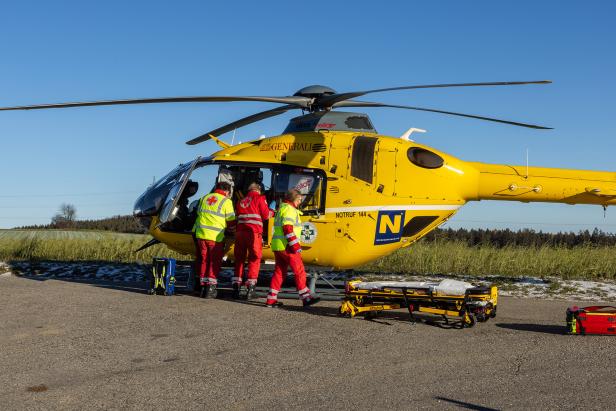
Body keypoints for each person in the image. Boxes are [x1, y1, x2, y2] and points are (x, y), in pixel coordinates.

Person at [266, 189, 320, 308]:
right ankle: (305, 297)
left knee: (279, 272)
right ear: (295, 199)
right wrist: (295, 245)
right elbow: (288, 229)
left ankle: (271, 299)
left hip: (278, 246)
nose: (300, 202)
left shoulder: (282, 208)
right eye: (300, 199)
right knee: (299, 271)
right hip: (288, 246)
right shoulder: (290, 210)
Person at [192, 181, 236, 298]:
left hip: (201, 235)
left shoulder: (204, 198)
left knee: (204, 260)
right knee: (214, 262)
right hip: (215, 237)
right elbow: (231, 221)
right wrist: (232, 231)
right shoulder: (226, 201)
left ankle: (202, 287)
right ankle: (211, 289)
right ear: (226, 191)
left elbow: (198, 214)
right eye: (229, 193)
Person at [233, 182, 274, 299]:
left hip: (240, 233)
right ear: (259, 189)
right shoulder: (260, 198)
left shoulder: (241, 201)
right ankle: (250, 289)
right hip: (253, 233)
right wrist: (272, 211)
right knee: (254, 259)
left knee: (239, 260)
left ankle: (236, 288)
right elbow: (266, 216)